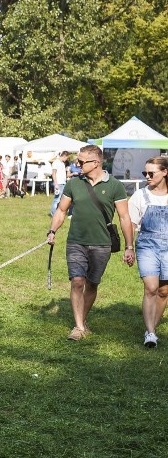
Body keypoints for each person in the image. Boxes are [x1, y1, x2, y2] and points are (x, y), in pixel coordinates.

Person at [47, 145, 135, 341]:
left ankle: (82, 320)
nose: (76, 165)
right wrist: (52, 231)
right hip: (76, 241)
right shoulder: (74, 183)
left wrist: (130, 247)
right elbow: (61, 211)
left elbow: (124, 217)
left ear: (96, 163)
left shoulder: (115, 186)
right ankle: (78, 327)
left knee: (92, 284)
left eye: (81, 162)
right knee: (77, 281)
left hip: (102, 244)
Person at [128, 156, 168, 348]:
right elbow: (131, 223)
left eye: (151, 173)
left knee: (163, 291)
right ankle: (151, 333)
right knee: (151, 288)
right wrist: (129, 247)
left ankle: (152, 328)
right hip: (147, 245)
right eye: (145, 173)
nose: (147, 176)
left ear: (165, 172)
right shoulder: (140, 195)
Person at [50, 151, 70, 216]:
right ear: (64, 156)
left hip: (63, 182)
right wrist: (56, 184)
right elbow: (53, 173)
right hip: (58, 183)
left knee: (60, 199)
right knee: (56, 199)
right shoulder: (56, 162)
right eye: (67, 157)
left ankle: (57, 212)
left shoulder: (62, 163)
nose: (67, 159)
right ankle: (53, 213)